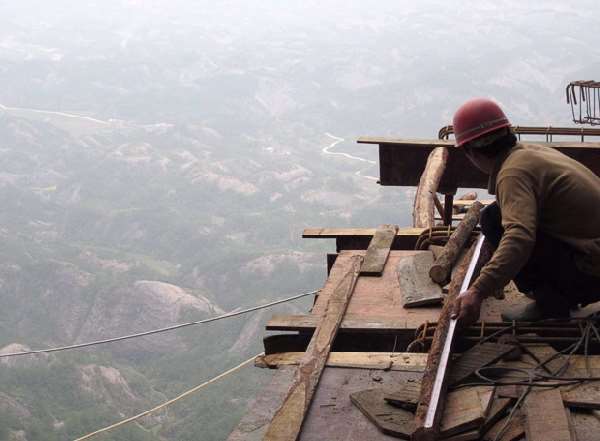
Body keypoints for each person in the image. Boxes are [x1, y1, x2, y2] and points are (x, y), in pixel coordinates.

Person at [450, 98, 600, 326]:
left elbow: (519, 236)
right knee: (497, 213)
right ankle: (557, 297)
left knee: (493, 220)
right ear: (507, 131)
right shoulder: (529, 153)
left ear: (471, 153)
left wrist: (479, 290)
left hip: (592, 275)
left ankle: (551, 305)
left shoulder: (513, 173)